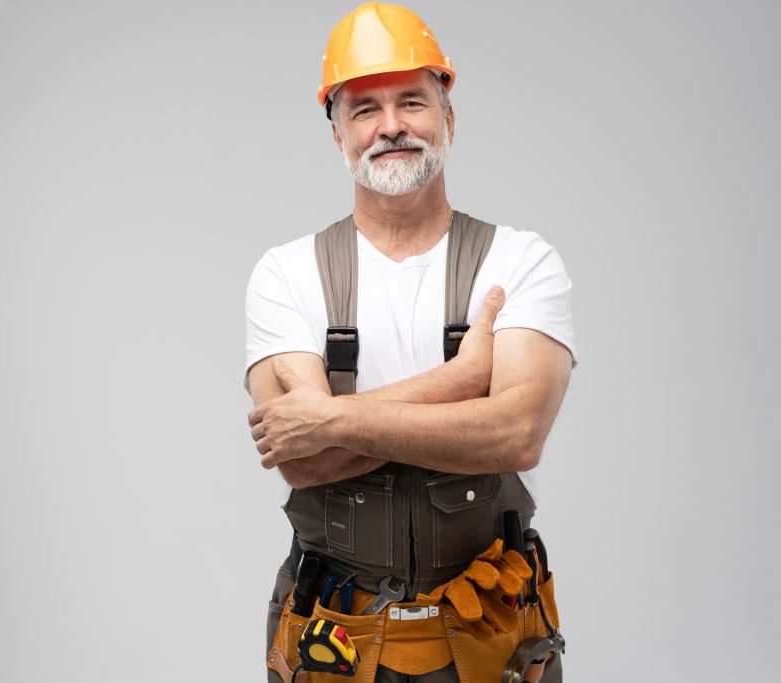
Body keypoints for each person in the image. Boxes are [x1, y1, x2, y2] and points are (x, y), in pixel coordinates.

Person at [244, 3, 577, 682]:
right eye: (364, 109)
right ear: (336, 131)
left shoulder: (520, 262)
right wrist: (459, 385)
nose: (390, 126)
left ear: (448, 117)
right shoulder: (286, 274)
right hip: (336, 641)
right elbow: (299, 462)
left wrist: (329, 418)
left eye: (412, 102)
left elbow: (515, 434)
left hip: (490, 634)